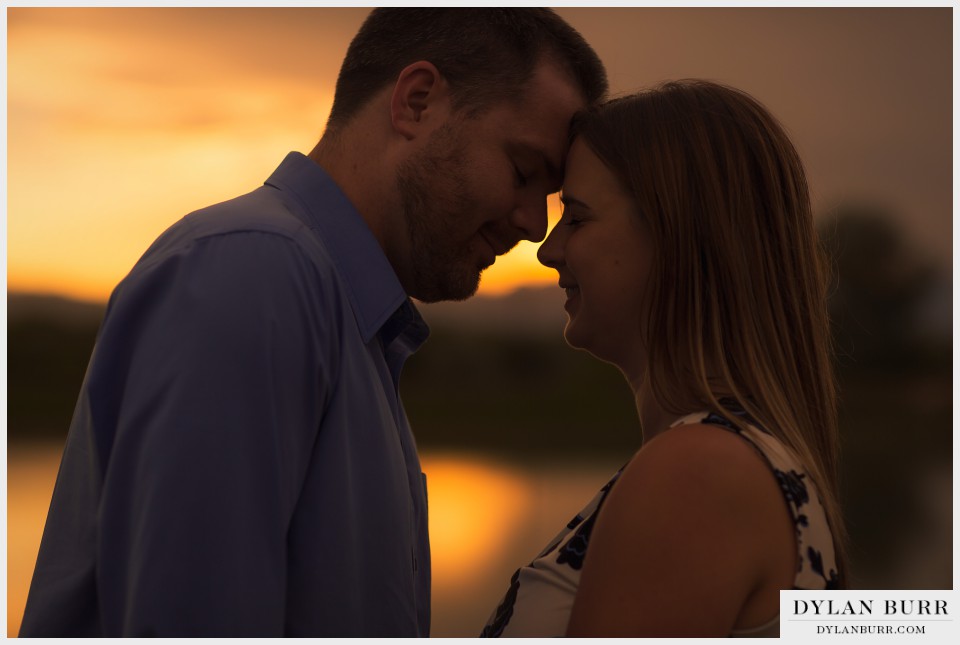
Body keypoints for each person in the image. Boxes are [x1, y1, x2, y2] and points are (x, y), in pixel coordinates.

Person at [20, 8, 607, 637]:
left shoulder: (348, 319)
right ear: (416, 102)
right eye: (522, 172)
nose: (533, 225)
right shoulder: (256, 275)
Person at [481, 80, 845, 638]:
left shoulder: (698, 474)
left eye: (576, 217)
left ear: (678, 236)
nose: (548, 249)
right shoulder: (738, 461)